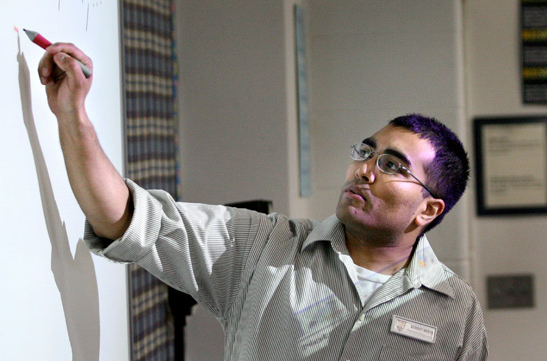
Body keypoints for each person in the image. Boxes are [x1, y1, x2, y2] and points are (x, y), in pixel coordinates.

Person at [38, 43, 488, 361]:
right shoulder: (263, 246)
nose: (364, 169)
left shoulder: (455, 312)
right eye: (366, 152)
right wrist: (73, 116)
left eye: (391, 165)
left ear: (428, 209)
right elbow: (129, 219)